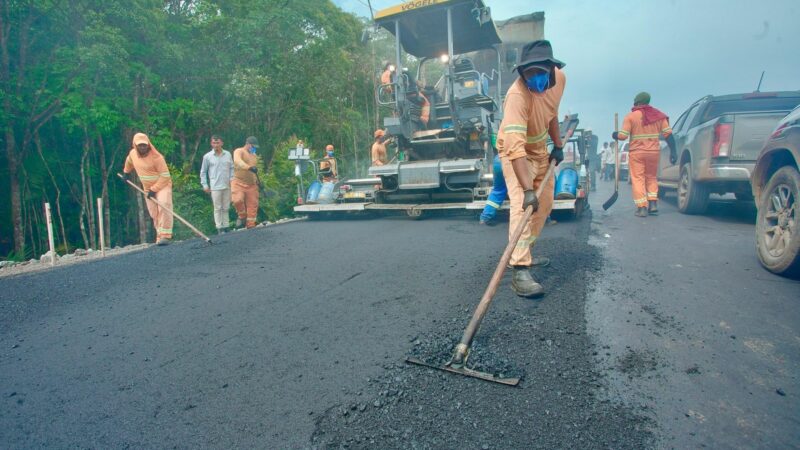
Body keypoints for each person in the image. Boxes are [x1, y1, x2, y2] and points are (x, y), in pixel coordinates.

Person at [496, 40, 566, 298]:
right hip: (516, 152)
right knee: (523, 205)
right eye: (529, 74)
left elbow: (552, 114)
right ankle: (520, 269)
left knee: (545, 204)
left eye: (539, 73)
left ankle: (525, 250)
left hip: (540, 150)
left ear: (550, 69)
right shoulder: (516, 96)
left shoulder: (560, 80)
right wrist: (527, 189)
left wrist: (557, 146)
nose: (534, 79)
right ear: (521, 73)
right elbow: (515, 149)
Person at [612, 92, 676, 217]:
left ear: (637, 102)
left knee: (638, 179)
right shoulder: (658, 116)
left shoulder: (630, 117)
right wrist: (674, 151)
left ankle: (642, 208)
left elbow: (623, 136)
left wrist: (615, 134)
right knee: (651, 177)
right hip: (653, 153)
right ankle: (653, 204)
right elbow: (668, 134)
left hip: (637, 153)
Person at [122, 133, 173, 246]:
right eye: (140, 145)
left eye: (144, 145)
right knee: (154, 213)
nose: (143, 147)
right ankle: (159, 236)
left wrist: (154, 189)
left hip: (162, 185)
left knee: (164, 205)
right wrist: (126, 172)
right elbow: (129, 161)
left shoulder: (157, 157)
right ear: (135, 145)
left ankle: (166, 236)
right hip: (148, 188)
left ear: (148, 145)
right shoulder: (133, 154)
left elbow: (165, 176)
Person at [200, 135, 234, 234]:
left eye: (218, 143)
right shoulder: (207, 157)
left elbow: (232, 168)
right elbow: (203, 172)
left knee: (226, 207)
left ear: (221, 143)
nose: (216, 145)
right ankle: (219, 227)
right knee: (217, 207)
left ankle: (226, 226)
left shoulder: (227, 154)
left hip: (227, 184)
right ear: (211, 144)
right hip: (215, 186)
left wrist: (232, 179)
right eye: (214, 143)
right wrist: (205, 185)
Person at [232, 136, 260, 229]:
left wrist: (257, 181)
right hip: (238, 182)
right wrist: (248, 167)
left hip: (252, 185)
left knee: (253, 206)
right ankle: (242, 216)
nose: (254, 148)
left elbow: (254, 169)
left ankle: (251, 225)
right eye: (253, 146)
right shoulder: (239, 151)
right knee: (237, 200)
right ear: (247, 144)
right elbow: (237, 161)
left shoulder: (254, 155)